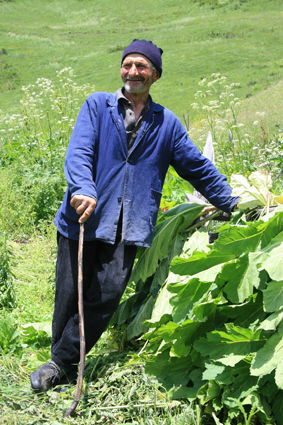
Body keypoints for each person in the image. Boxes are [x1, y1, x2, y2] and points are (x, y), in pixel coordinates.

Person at [30, 39, 239, 391]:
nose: (133, 72)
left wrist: (233, 202)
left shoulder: (167, 124)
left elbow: (198, 168)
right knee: (70, 292)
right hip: (83, 216)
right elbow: (78, 151)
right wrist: (83, 186)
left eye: (142, 66)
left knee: (105, 297)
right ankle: (61, 361)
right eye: (128, 65)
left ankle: (60, 362)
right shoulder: (97, 106)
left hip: (130, 226)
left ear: (155, 75)